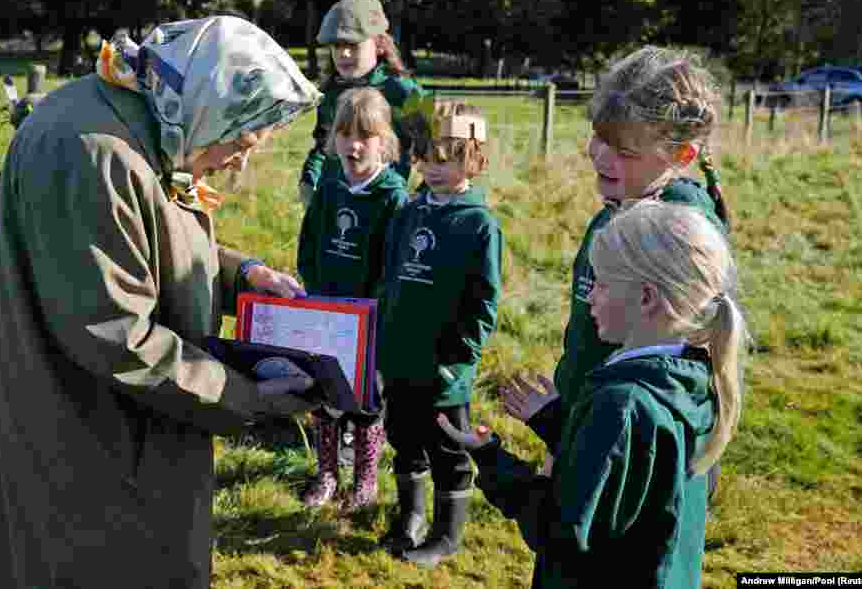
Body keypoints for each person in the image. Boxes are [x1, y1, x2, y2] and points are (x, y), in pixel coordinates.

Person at [0, 17, 324, 589]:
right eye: (240, 141)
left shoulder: (151, 116)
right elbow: (118, 336)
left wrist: (244, 276)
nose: (240, 162)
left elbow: (149, 230)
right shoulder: (95, 153)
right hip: (82, 430)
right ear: (210, 102)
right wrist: (245, 396)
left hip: (103, 417)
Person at [440, 200, 746, 588]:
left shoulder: (623, 403)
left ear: (646, 298)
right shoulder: (694, 380)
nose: (590, 298)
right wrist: (556, 423)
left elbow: (560, 532)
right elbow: (638, 474)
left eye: (601, 283)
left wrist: (492, 460)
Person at [522, 46, 731, 488]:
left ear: (682, 156)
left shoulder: (681, 231)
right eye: (599, 137)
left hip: (635, 440)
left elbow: (671, 367)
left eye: (624, 151)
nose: (600, 156)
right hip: (588, 422)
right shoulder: (613, 212)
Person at [374, 101, 502, 568]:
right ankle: (410, 517)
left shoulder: (478, 224)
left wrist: (458, 356)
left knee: (448, 446)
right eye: (426, 157)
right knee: (403, 437)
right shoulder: (408, 214)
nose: (434, 168)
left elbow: (484, 302)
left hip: (445, 367)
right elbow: (389, 279)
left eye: (446, 158)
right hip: (400, 357)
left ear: (473, 159)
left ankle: (446, 535)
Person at [295, 87, 408, 510]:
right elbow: (308, 247)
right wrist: (315, 295)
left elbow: (393, 266)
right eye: (344, 134)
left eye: (365, 135)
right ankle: (326, 475)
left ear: (385, 142)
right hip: (325, 314)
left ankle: (364, 481)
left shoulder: (393, 197)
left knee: (364, 400)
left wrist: (367, 312)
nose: (353, 144)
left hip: (368, 323)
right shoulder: (328, 190)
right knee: (324, 398)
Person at [297, 0, 424, 207]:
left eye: (353, 44)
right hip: (334, 205)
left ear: (379, 44)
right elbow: (322, 146)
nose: (343, 54)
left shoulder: (405, 91)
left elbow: (441, 147)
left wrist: (420, 199)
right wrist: (309, 181)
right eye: (336, 45)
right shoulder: (330, 93)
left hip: (383, 209)